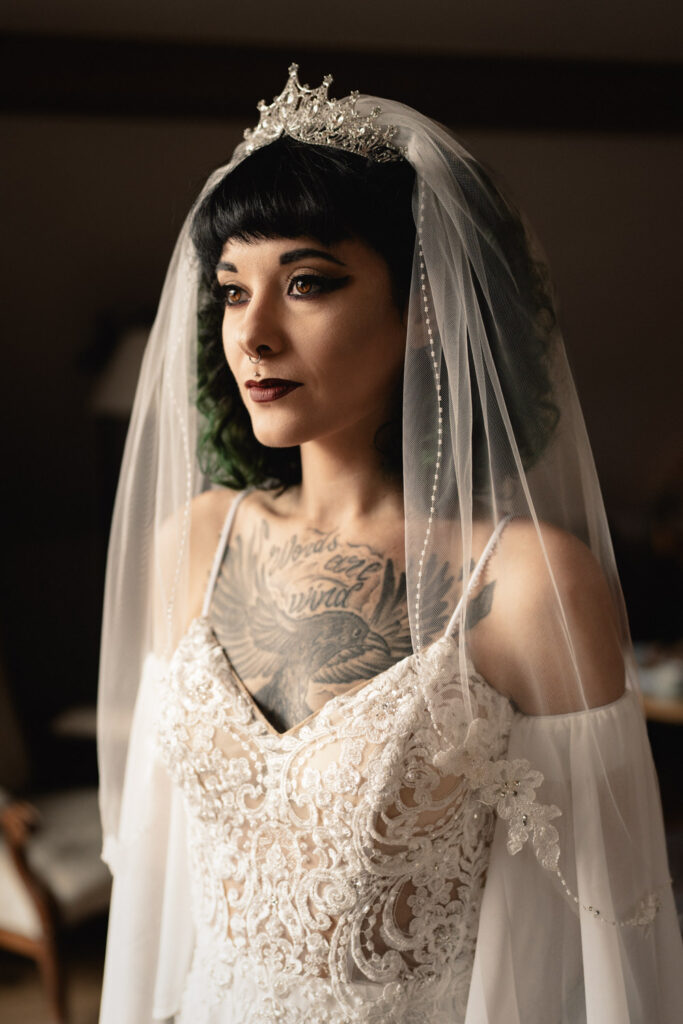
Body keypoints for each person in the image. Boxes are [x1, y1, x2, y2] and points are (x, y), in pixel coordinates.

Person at [97, 66, 683, 1023]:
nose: (254, 335)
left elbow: (593, 943)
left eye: (307, 283)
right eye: (233, 290)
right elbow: (163, 889)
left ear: (423, 307)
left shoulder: (531, 586)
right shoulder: (192, 544)